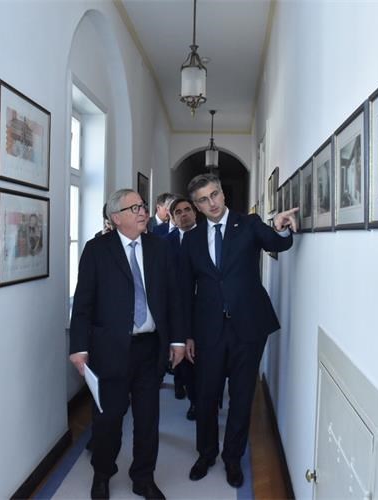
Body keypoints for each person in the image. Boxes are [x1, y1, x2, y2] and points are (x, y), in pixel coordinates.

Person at [180, 173, 298, 488]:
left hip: (248, 327)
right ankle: (206, 454)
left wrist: (280, 227)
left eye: (214, 194)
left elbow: (278, 243)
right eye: (203, 200)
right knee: (206, 396)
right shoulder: (191, 239)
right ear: (196, 206)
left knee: (242, 397)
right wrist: (187, 334)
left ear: (222, 193)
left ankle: (233, 458)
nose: (212, 203)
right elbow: (184, 289)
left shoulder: (248, 224)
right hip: (208, 331)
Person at [69, 189, 186, 500]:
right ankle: (102, 474)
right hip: (110, 350)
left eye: (143, 206)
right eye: (134, 208)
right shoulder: (97, 250)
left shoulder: (159, 248)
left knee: (148, 420)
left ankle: (143, 478)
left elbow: (173, 298)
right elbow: (83, 303)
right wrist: (79, 347)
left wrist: (177, 340)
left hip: (150, 348)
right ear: (116, 218)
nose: (143, 211)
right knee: (108, 419)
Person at [164, 197, 198, 420]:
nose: (184, 214)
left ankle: (199, 400)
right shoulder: (166, 242)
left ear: (195, 212)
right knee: (181, 352)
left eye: (187, 210)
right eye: (178, 212)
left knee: (198, 357)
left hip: (202, 306)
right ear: (173, 218)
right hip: (177, 307)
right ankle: (181, 384)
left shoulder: (207, 236)